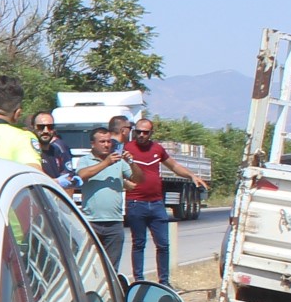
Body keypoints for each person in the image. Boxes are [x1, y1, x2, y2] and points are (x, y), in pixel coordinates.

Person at [123, 116, 208, 285]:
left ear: (151, 133)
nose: (141, 135)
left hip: (156, 204)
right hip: (135, 203)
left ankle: (164, 281)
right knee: (138, 243)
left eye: (145, 132)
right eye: (138, 131)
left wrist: (192, 175)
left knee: (163, 244)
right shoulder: (127, 149)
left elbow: (174, 166)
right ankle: (139, 280)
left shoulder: (158, 149)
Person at [75, 126, 132, 271]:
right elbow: (81, 176)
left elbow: (137, 180)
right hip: (92, 222)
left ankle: (110, 292)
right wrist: (106, 163)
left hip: (115, 222)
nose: (107, 145)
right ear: (93, 144)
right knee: (89, 266)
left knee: (111, 267)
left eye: (108, 141)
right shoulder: (85, 160)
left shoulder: (118, 161)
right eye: (102, 142)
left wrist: (131, 162)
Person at [29, 108, 72, 184]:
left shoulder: (57, 151)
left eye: (50, 127)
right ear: (33, 127)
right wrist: (57, 182)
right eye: (41, 127)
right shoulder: (29, 152)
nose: (46, 131)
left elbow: (68, 179)